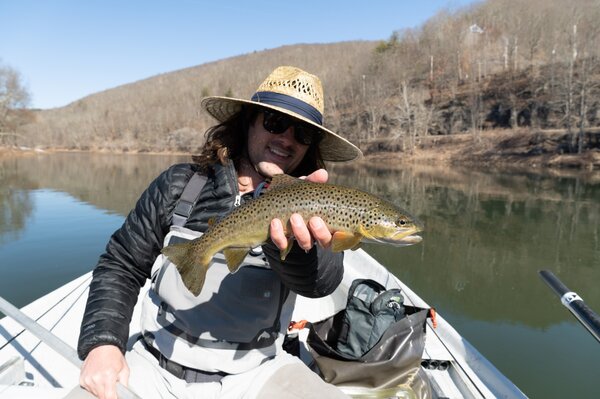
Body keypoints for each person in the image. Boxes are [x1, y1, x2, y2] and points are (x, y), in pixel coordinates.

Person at [76, 65, 362, 399]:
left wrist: (296, 244)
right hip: (154, 361)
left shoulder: (319, 203)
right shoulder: (179, 185)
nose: (287, 138)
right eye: (275, 122)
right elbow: (122, 263)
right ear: (248, 122)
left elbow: (320, 284)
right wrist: (104, 343)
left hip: (257, 372)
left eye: (303, 133)